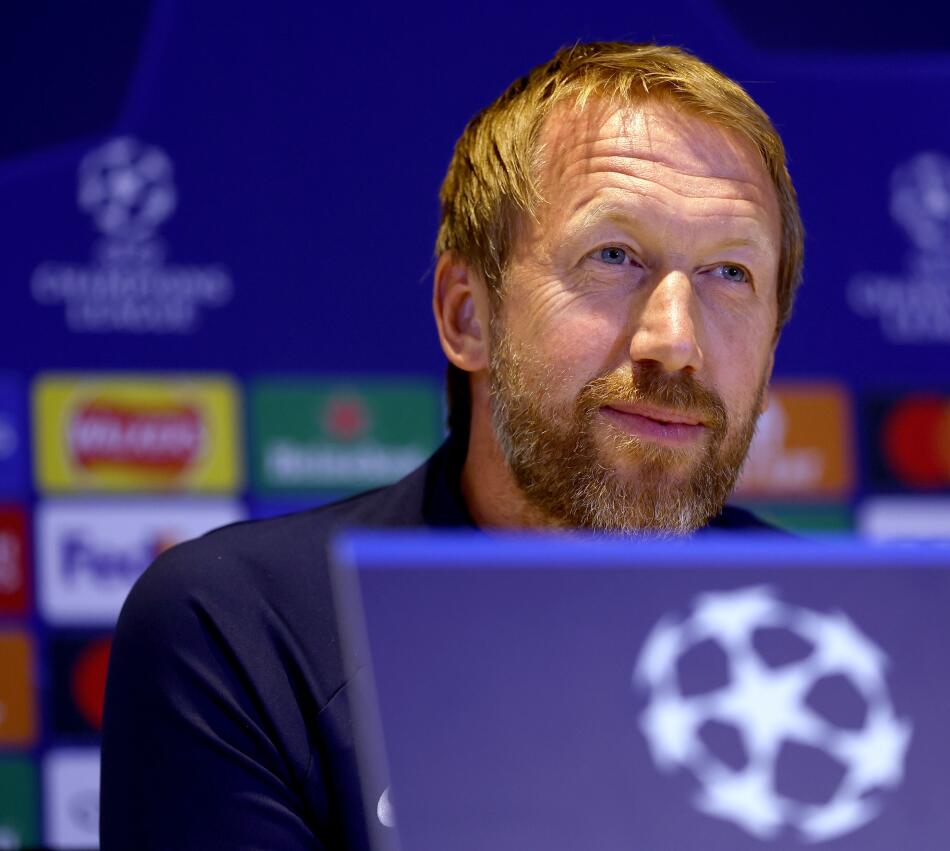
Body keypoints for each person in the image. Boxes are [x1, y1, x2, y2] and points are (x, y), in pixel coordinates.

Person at [100, 40, 804, 849]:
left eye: (730, 274)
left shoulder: (856, 635)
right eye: (614, 256)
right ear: (468, 314)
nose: (675, 340)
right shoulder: (245, 632)